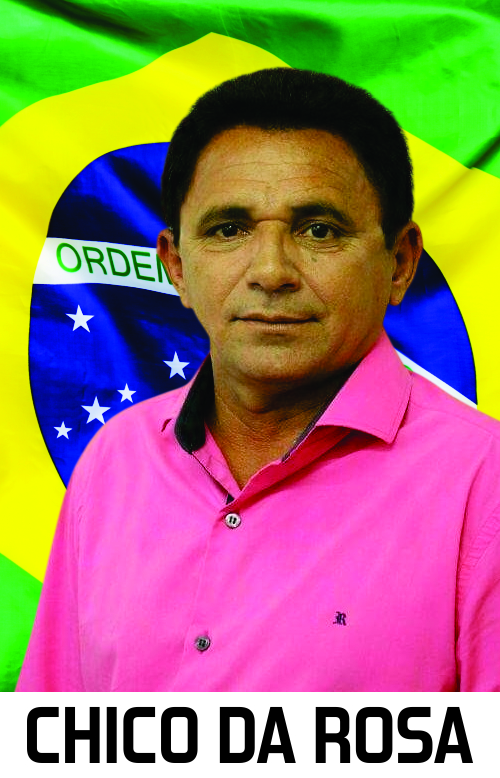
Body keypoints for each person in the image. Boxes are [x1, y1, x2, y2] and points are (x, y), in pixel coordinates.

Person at [17, 68, 500, 691]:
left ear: (401, 263)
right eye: (229, 230)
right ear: (176, 266)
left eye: (319, 230)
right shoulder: (117, 459)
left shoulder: (482, 479)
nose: (270, 272)